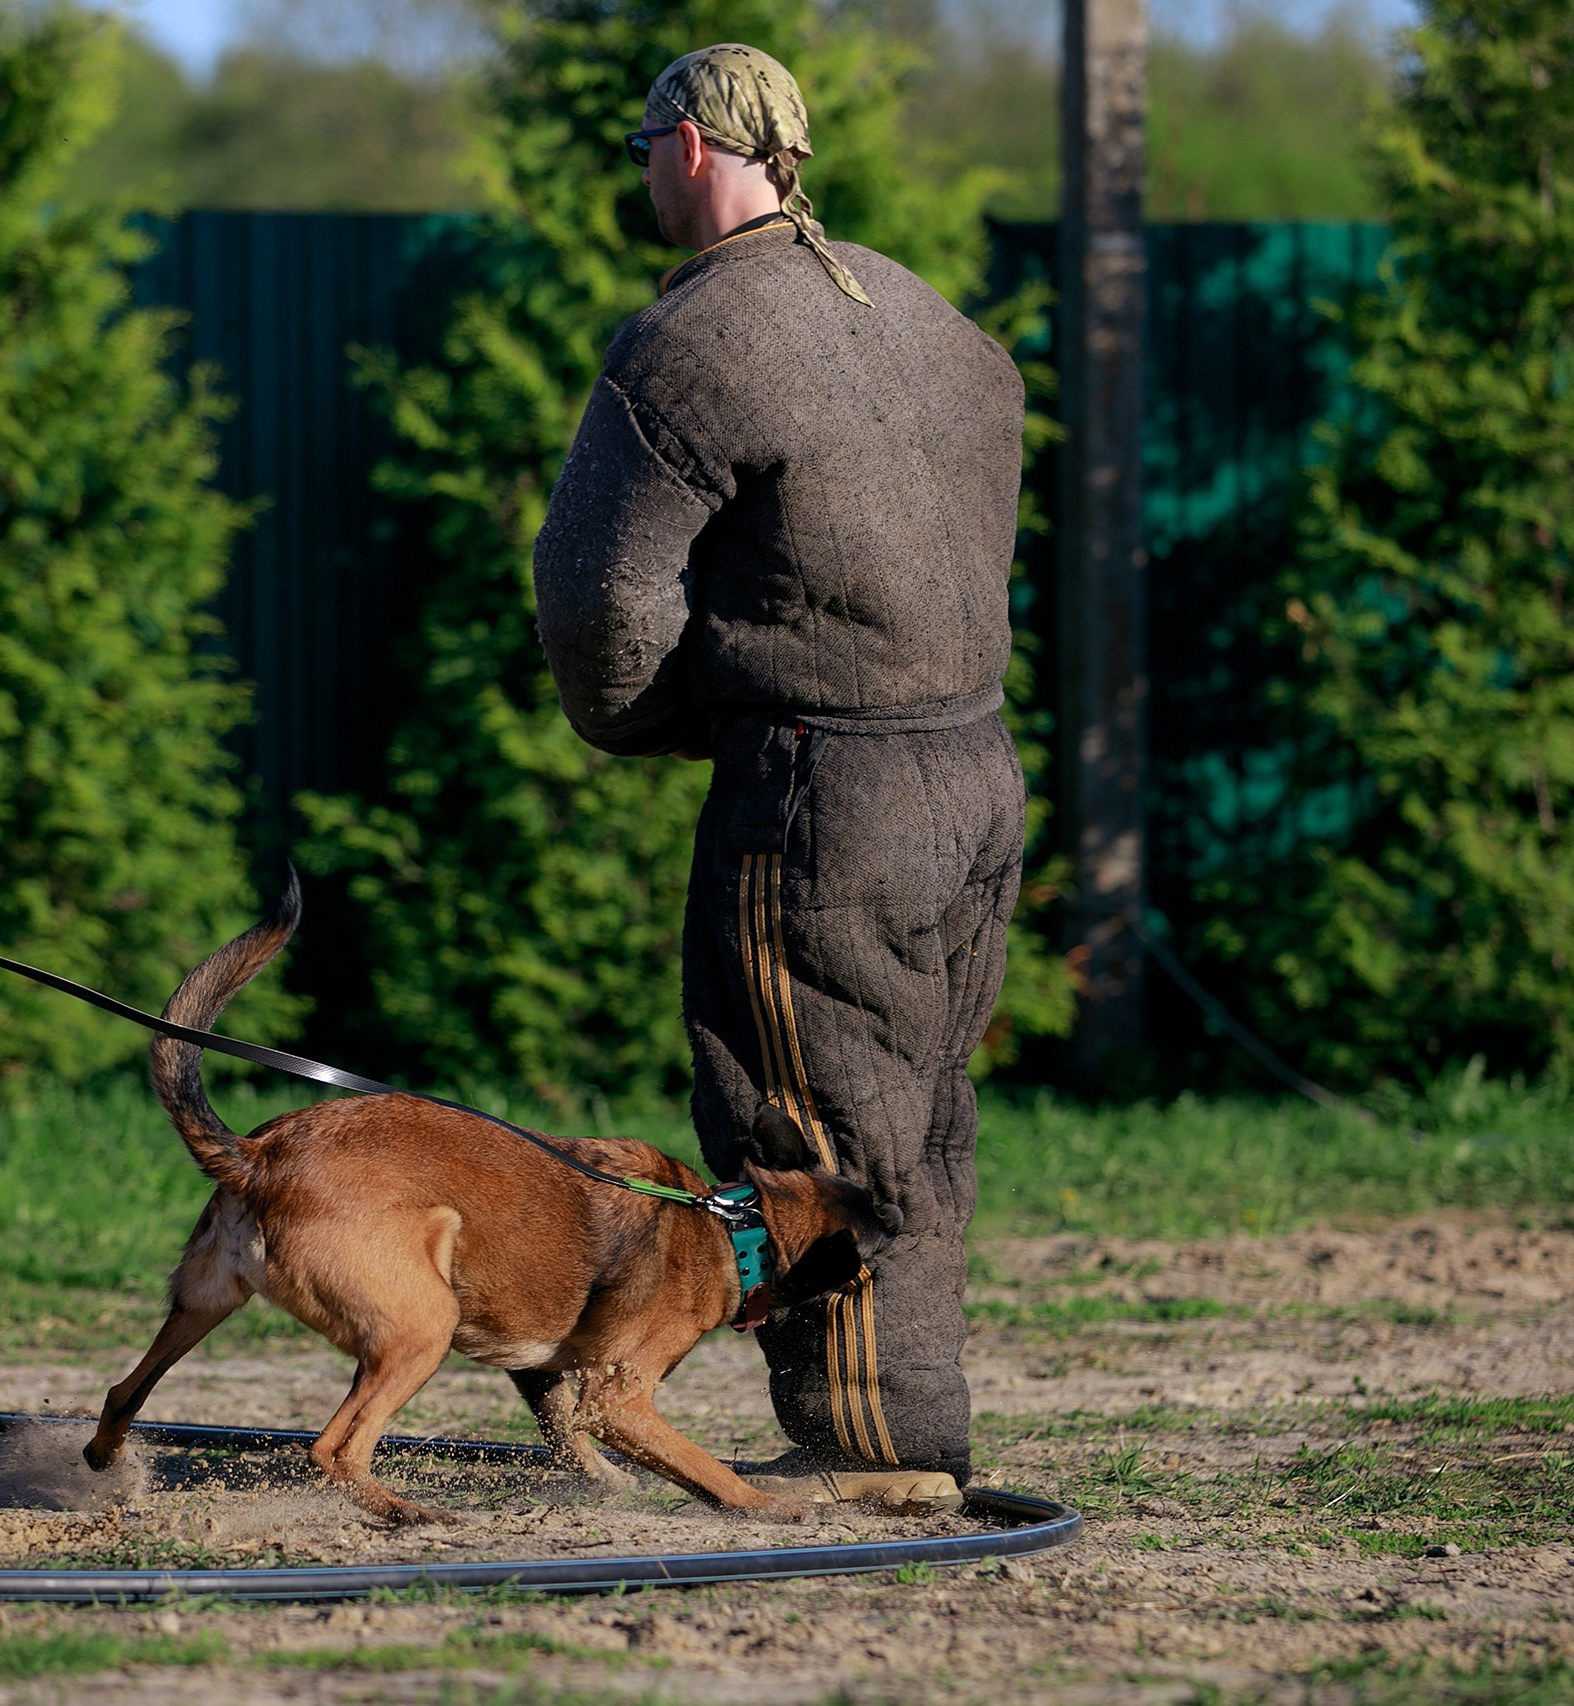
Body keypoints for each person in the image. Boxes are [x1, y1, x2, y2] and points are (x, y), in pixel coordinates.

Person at [531, 42, 1028, 1507]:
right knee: (920, 1110)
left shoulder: (686, 344)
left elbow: (598, 605)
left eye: (642, 147)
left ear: (689, 148)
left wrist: (662, 721)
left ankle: (870, 1449)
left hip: (826, 794)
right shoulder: (935, 321)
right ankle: (909, 1414)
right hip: (977, 771)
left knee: (808, 1123)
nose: (639, 171)